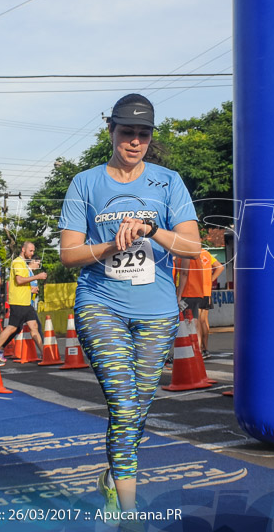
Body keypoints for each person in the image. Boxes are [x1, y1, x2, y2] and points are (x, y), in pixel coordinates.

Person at [58, 94, 201, 513]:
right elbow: (68, 254)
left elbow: (192, 247)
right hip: (101, 302)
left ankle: (111, 474)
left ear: (150, 138)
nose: (134, 142)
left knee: (136, 408)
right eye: (127, 133)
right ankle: (129, 510)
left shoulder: (168, 181)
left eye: (143, 134)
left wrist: (153, 229)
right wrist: (108, 244)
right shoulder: (85, 182)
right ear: (111, 133)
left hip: (157, 310)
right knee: (122, 401)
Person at [0, 241, 48, 364]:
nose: (32, 253)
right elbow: (19, 280)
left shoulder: (23, 263)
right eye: (30, 251)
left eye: (33, 251)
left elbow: (24, 282)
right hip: (18, 301)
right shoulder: (17, 262)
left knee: (34, 327)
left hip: (26, 302)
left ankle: (45, 355)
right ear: (23, 249)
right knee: (12, 328)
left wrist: (31, 288)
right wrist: (37, 277)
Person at [175, 248, 224, 357]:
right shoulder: (205, 253)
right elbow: (220, 267)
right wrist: (209, 280)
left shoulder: (185, 252)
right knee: (203, 321)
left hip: (191, 289)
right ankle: (204, 348)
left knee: (194, 322)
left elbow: (183, 273)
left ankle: (197, 349)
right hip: (204, 290)